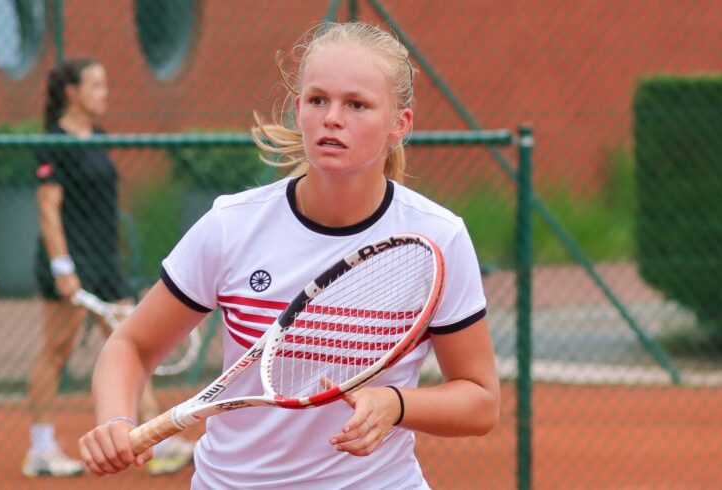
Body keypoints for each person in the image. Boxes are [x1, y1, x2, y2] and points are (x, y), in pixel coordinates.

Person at [77, 22, 500, 488]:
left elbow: (480, 400)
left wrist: (396, 404)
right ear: (299, 109)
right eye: (318, 100)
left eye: (356, 104)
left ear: (400, 124)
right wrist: (115, 418)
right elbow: (131, 345)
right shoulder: (232, 225)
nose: (332, 117)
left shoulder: (438, 237)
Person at [23, 57, 195, 478]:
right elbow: (48, 209)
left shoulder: (97, 136)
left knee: (134, 347)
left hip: (104, 262)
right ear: (72, 93)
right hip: (68, 263)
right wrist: (63, 268)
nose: (104, 93)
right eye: (96, 85)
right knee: (57, 350)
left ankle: (159, 441)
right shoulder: (53, 141)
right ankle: (41, 449)